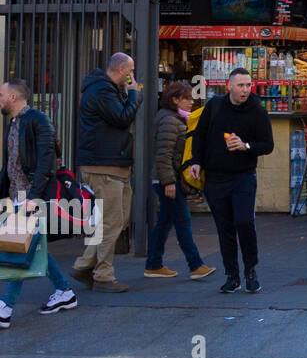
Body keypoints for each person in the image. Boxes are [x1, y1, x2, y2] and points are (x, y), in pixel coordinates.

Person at [188, 68, 273, 293]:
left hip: (243, 176)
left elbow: (267, 145)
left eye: (248, 85)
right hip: (215, 178)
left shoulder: (257, 111)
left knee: (244, 223)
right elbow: (200, 135)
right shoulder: (215, 106)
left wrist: (245, 146)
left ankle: (250, 270)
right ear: (229, 86)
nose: (245, 90)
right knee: (224, 228)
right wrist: (195, 161)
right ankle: (232, 275)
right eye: (240, 85)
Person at [0, 78, 77, 327]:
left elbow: (47, 160)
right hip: (17, 196)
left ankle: (6, 307)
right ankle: (64, 292)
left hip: (30, 197)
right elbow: (10, 164)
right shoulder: (12, 123)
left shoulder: (38, 120)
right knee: (36, 246)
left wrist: (33, 196)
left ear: (13, 97)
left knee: (17, 247)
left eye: (1, 95)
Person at [69, 52, 143, 293]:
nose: (132, 75)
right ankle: (103, 275)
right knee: (110, 222)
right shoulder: (101, 91)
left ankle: (83, 265)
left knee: (116, 220)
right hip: (103, 166)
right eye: (130, 70)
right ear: (122, 69)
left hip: (114, 164)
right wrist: (134, 95)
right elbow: (122, 118)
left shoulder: (108, 90)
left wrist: (127, 94)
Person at [144, 81, 214, 280]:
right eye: (187, 98)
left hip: (168, 179)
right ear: (175, 100)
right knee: (183, 222)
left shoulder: (176, 119)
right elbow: (163, 155)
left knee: (164, 223)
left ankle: (153, 264)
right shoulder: (170, 121)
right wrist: (169, 182)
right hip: (168, 181)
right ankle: (195, 265)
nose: (192, 102)